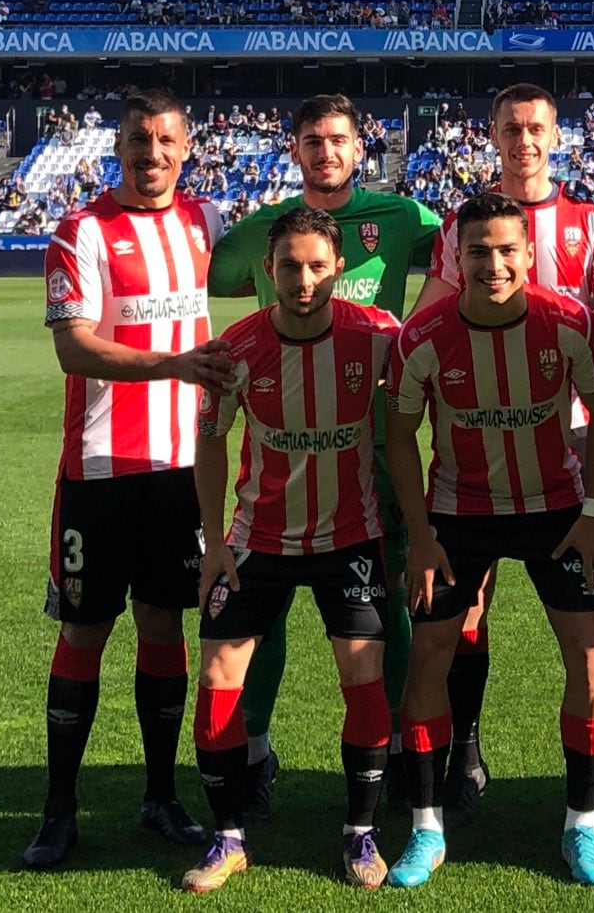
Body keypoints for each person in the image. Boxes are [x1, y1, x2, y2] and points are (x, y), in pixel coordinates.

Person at [206, 94, 440, 823]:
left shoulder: (405, 217)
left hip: (376, 457)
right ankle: (254, 747)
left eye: (338, 139)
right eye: (312, 139)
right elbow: (199, 281)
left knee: (392, 610)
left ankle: (403, 750)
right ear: (294, 147)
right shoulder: (256, 233)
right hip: (279, 467)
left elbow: (466, 252)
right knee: (259, 618)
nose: (326, 151)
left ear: (358, 145)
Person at [23, 89, 236, 871]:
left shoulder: (208, 224)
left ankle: (159, 794)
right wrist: (176, 365)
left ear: (187, 147)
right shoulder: (79, 231)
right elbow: (75, 349)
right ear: (119, 148)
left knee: (163, 626)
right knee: (84, 631)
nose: (153, 154)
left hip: (182, 469)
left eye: (166, 140)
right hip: (100, 472)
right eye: (139, 141)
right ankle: (58, 810)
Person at [382, 192, 594, 888]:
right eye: (478, 251)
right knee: (429, 653)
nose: (493, 263)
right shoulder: (423, 337)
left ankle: (581, 825)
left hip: (556, 508)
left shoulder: (567, 320)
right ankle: (427, 827)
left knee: (587, 657)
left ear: (528, 253)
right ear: (456, 258)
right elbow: (399, 438)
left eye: (506, 249)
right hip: (460, 512)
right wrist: (422, 536)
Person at [412, 83, 594, 825]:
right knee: (467, 609)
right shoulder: (462, 226)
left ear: (556, 133)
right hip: (473, 441)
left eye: (536, 127)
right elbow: (431, 317)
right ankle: (465, 750)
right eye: (512, 127)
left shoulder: (589, 221)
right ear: (494, 133)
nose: (524, 139)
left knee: (589, 618)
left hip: (566, 443)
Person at [180, 207, 402, 892]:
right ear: (267, 268)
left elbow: (409, 429)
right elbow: (211, 440)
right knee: (219, 682)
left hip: (350, 537)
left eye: (314, 265)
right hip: (257, 541)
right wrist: (213, 541)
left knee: (362, 681)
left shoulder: (378, 337)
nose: (302, 280)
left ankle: (360, 833)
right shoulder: (236, 346)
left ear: (338, 266)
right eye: (287, 266)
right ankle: (228, 837)